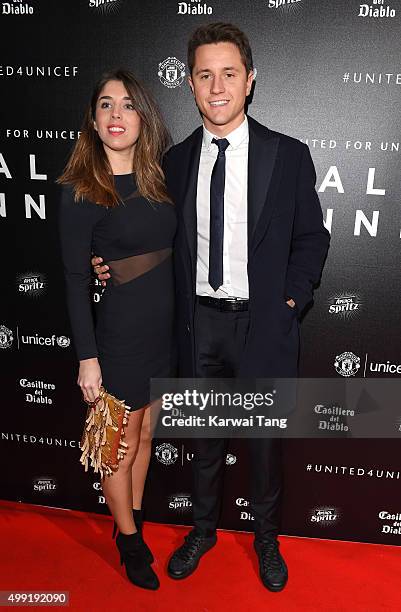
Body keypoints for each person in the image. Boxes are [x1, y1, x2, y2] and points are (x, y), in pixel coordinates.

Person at [93, 23, 330, 592]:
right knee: (205, 441)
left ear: (250, 81)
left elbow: (311, 238)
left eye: (229, 74)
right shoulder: (173, 162)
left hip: (264, 323)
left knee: (265, 445)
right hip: (198, 325)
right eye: (205, 75)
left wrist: (291, 300)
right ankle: (202, 531)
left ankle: (267, 539)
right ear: (191, 85)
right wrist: (109, 265)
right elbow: (145, 233)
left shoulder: (288, 155)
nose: (217, 87)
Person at [58, 69, 176, 590]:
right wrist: (88, 357)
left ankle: (135, 515)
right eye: (105, 105)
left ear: (141, 116)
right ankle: (128, 540)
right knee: (120, 441)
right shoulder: (82, 190)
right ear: (93, 118)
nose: (116, 115)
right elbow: (73, 277)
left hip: (165, 332)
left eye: (127, 105)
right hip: (121, 335)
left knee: (146, 432)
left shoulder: (159, 178)